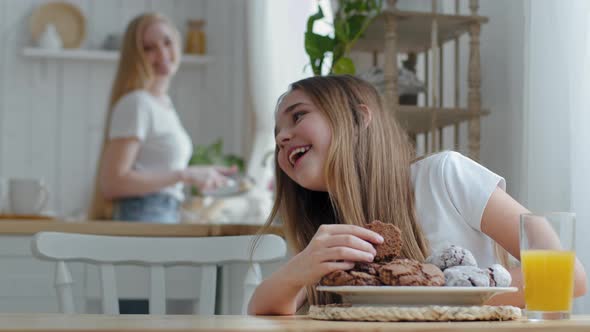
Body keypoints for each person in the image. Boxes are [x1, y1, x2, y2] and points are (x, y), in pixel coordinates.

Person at [247, 75, 587, 315]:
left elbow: (568, 278)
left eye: (298, 116)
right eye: (278, 134)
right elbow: (265, 309)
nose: (282, 138)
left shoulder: (445, 175)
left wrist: (432, 296)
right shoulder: (327, 225)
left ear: (358, 117)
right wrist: (299, 268)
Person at [89, 13, 235, 224]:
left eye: (167, 42)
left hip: (162, 214)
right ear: (135, 56)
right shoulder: (137, 103)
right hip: (144, 216)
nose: (162, 53)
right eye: (148, 48)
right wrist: (184, 175)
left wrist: (201, 174)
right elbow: (113, 182)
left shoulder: (162, 104)